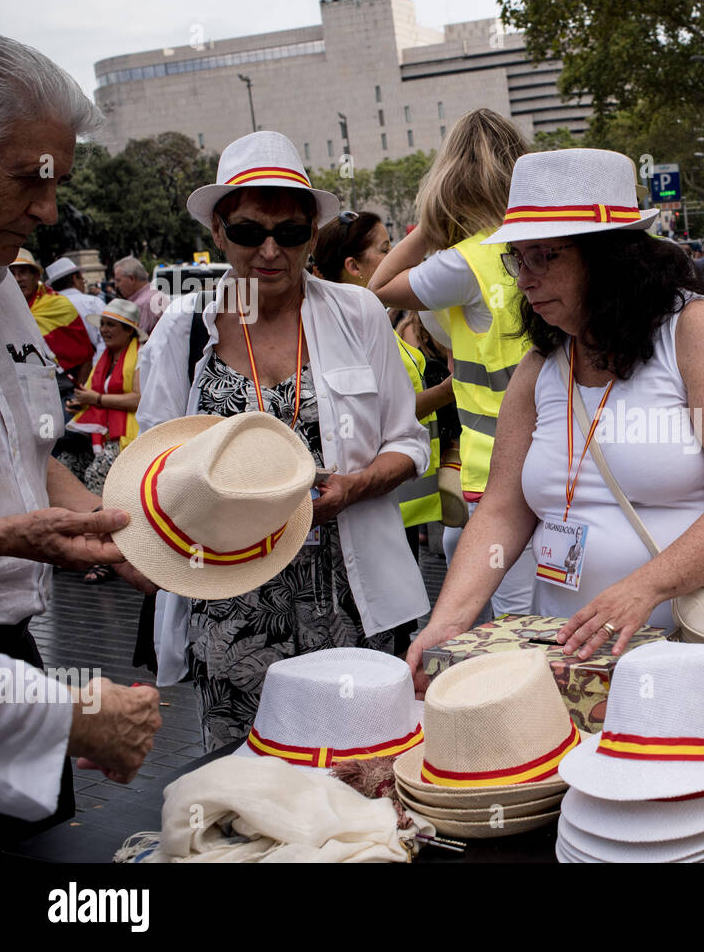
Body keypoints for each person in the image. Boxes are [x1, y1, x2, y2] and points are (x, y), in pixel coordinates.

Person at [404, 148, 704, 687]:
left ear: (612, 256)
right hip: (575, 664)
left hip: (699, 651)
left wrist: (648, 586)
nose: (526, 279)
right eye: (519, 258)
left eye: (545, 256)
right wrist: (447, 623)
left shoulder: (697, 332)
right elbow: (500, 510)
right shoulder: (540, 364)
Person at [137, 130, 430, 749]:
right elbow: (153, 470)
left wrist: (356, 487)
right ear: (218, 232)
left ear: (311, 236)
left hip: (350, 593)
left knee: (362, 766)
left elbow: (409, 443)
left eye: (291, 233)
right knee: (246, 785)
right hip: (230, 604)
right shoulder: (181, 334)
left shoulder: (358, 314)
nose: (270, 251)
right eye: (248, 232)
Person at [0, 34, 161, 844]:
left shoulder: (4, 289)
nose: (49, 211)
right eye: (30, 178)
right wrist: (68, 711)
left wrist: (115, 533)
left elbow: (34, 451)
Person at [369, 108, 537, 622]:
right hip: (554, 465)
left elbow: (377, 289)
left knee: (510, 627)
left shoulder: (464, 263)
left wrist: (428, 228)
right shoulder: (543, 247)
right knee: (530, 619)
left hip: (491, 478)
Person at [312, 209, 453, 604]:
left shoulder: (380, 323)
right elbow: (380, 419)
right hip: (373, 506)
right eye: (384, 249)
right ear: (353, 266)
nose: (396, 258)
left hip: (399, 499)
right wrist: (447, 392)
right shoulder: (338, 335)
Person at [63, 298, 145, 584]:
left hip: (127, 436)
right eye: (103, 324)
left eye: (111, 325)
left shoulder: (141, 354)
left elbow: (138, 398)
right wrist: (81, 404)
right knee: (73, 469)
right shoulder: (105, 356)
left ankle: (107, 555)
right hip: (100, 432)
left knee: (98, 480)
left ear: (128, 330)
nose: (105, 330)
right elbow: (91, 393)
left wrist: (95, 399)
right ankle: (83, 547)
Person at [10, 249, 93, 381]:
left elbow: (85, 357)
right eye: (11, 273)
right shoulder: (5, 309)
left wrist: (78, 397)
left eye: (23, 272)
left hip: (61, 386)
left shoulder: (58, 305)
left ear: (36, 276)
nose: (17, 279)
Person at [45, 256, 105, 356]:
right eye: (82, 280)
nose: (83, 284)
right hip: (93, 364)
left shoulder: (45, 308)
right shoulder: (92, 303)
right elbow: (106, 338)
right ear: (75, 278)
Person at [112, 255, 169, 338]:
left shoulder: (143, 304)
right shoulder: (154, 294)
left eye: (118, 280)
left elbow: (138, 340)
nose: (116, 285)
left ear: (131, 278)